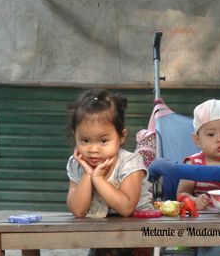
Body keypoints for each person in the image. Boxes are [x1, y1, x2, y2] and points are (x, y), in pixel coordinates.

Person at [66, 88, 154, 256]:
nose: (93, 149)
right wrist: (88, 175)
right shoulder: (77, 164)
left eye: (103, 141)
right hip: (101, 235)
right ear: (75, 136)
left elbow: (127, 208)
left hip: (137, 235)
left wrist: (98, 180)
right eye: (84, 140)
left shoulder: (130, 163)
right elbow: (78, 210)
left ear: (121, 137)